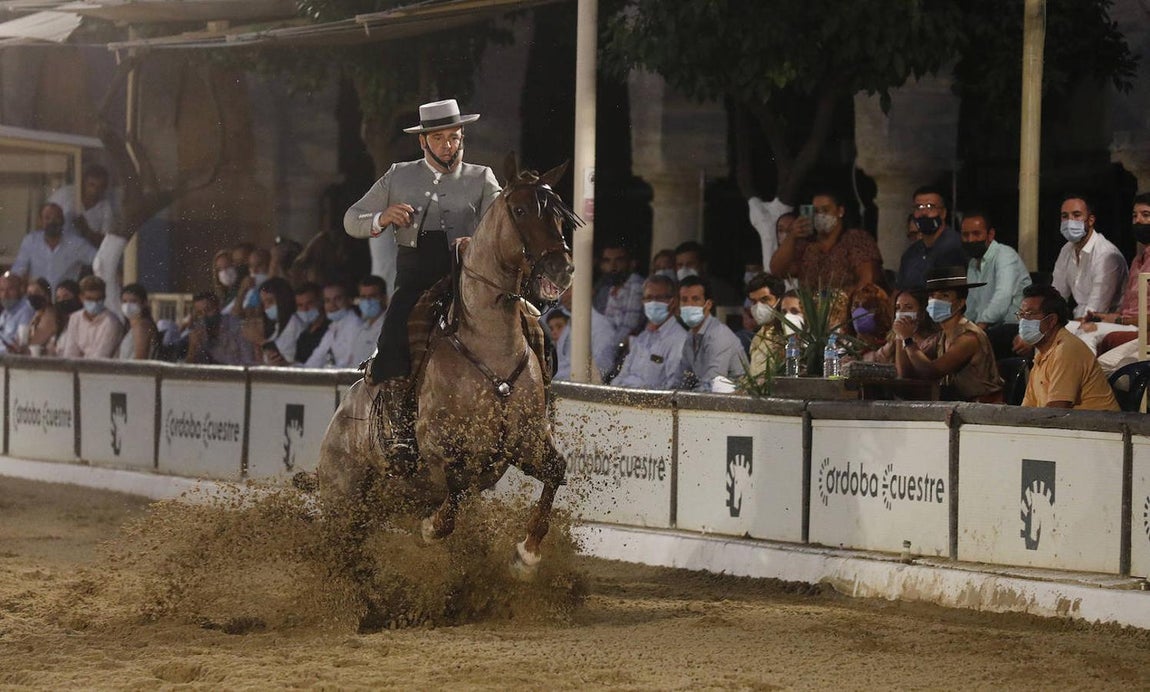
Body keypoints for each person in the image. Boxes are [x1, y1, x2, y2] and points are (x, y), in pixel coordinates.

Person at [344, 98, 501, 462]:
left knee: (527, 321)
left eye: (454, 137)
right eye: (441, 138)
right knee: (394, 333)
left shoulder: (482, 177)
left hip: (470, 275)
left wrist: (476, 241)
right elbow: (352, 218)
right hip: (416, 276)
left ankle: (535, 401)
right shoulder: (399, 175)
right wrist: (381, 217)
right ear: (423, 141)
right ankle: (399, 428)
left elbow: (499, 226)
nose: (449, 145)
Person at [893, 267, 1002, 402]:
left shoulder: (969, 337)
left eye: (944, 296)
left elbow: (931, 372)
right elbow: (906, 373)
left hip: (983, 411)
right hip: (957, 408)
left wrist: (908, 340)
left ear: (960, 303)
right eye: (932, 296)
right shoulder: (941, 337)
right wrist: (900, 336)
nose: (935, 300)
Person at [1018, 284, 1119, 411]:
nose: (1023, 321)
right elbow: (1027, 409)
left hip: (1097, 428)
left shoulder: (1067, 349)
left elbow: (1056, 412)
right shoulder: (1041, 355)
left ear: (1051, 320)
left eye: (1030, 314)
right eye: (1021, 314)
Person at [769, 189, 883, 293]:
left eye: (825, 210)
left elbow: (868, 280)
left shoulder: (856, 239)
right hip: (812, 313)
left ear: (840, 211)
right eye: (816, 211)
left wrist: (841, 303)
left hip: (849, 311)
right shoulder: (806, 245)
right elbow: (778, 271)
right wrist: (792, 236)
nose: (820, 215)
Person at [960, 208, 1032, 359]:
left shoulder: (1005, 255)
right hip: (989, 327)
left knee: (968, 347)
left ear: (990, 235)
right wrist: (961, 328)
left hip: (1015, 327)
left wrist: (977, 329)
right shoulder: (973, 263)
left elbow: (1002, 298)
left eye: (976, 234)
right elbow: (971, 305)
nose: (971, 240)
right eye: (966, 235)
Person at [1050, 193, 1126, 318]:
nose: (1070, 221)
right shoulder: (1066, 249)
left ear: (1090, 220)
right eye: (1065, 216)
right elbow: (1056, 296)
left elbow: (1095, 309)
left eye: (1076, 215)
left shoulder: (1106, 254)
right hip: (1079, 320)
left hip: (1106, 322)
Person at [614, 274, 689, 389]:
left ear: (672, 302)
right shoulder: (642, 337)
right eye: (648, 298)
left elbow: (673, 387)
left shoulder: (680, 340)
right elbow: (621, 376)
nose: (653, 302)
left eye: (659, 298)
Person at [676, 276, 746, 392]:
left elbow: (712, 383)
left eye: (695, 299)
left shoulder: (719, 334)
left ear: (708, 304)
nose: (689, 305)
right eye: (684, 300)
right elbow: (684, 379)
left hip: (734, 403)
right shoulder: (691, 336)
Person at [9, 202, 96, 291]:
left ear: (63, 220)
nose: (52, 222)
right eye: (47, 218)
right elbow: (18, 271)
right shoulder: (31, 241)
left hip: (66, 299)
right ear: (41, 221)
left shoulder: (76, 243)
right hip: (37, 299)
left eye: (57, 218)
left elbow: (99, 262)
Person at [896, 185, 967, 289]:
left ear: (943, 213)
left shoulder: (955, 247)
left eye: (930, 207)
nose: (924, 213)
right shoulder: (910, 254)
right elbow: (900, 290)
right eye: (919, 207)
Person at [47, 164, 116, 247]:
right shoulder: (65, 194)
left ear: (105, 188)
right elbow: (43, 218)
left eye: (100, 187)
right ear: (83, 183)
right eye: (91, 185)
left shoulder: (106, 208)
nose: (95, 190)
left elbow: (105, 243)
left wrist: (86, 230)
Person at [866, 288, 939, 364]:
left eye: (909, 307)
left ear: (921, 313)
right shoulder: (895, 338)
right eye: (898, 308)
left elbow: (907, 371)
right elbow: (877, 358)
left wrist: (904, 337)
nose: (901, 312)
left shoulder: (932, 341)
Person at [593, 241, 645, 347]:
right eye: (607, 261)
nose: (613, 266)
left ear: (631, 263)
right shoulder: (606, 288)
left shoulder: (637, 285)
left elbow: (629, 327)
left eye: (619, 260)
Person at [304, 281, 367, 368]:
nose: (332, 305)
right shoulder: (334, 326)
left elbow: (350, 366)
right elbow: (316, 359)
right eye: (327, 300)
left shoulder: (355, 326)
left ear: (349, 300)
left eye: (337, 299)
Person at [62, 275, 123, 359]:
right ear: (81, 298)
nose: (95, 303)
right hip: (77, 368)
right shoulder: (75, 318)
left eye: (98, 299)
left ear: (104, 298)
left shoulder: (111, 322)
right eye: (90, 299)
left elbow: (101, 355)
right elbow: (70, 352)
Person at [744, 273, 787, 378]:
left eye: (765, 300)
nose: (759, 306)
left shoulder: (786, 335)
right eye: (754, 302)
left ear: (779, 300)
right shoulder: (757, 337)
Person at [674, 241, 741, 306]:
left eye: (690, 264)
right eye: (680, 265)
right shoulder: (672, 290)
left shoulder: (721, 291)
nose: (684, 269)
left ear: (703, 265)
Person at [253, 276, 299, 365]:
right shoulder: (278, 326)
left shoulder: (294, 322)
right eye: (264, 303)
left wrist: (259, 339)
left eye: (270, 301)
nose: (266, 307)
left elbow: (278, 357)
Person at [844, 283, 893, 359]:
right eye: (856, 306)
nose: (859, 312)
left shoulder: (889, 346)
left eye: (868, 307)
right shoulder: (844, 345)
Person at [290, 282, 329, 365]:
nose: (305, 309)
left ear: (320, 302)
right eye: (300, 305)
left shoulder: (330, 329)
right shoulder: (303, 336)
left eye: (309, 303)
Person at [117, 283, 159, 360]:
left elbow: (140, 360)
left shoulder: (142, 326)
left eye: (133, 301)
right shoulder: (132, 326)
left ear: (144, 303)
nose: (128, 305)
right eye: (124, 301)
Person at [21, 278, 58, 356]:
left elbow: (36, 341)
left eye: (37, 292)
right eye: (29, 293)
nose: (33, 296)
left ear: (47, 295)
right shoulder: (37, 314)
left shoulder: (50, 314)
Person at [0, 273, 35, 354]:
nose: (5, 295)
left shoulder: (26, 311)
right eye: (1, 290)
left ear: (20, 290)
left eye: (10, 289)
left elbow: (18, 346)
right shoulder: (5, 313)